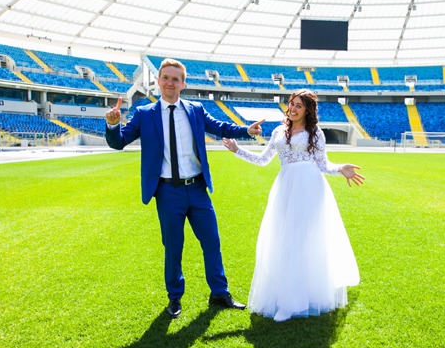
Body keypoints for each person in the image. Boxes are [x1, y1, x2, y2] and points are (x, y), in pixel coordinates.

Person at [105, 58, 264, 318]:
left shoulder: (195, 109)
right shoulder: (145, 113)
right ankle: (175, 298)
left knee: (212, 242)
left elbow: (220, 127)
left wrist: (246, 129)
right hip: (168, 192)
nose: (170, 82)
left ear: (183, 83)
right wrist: (113, 125)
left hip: (197, 189)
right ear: (158, 81)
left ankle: (219, 292)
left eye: (175, 79)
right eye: (165, 77)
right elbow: (119, 142)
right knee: (173, 247)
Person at [222, 89, 364, 322]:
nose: (294, 108)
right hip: (285, 189)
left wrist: (340, 169)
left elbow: (323, 164)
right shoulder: (279, 131)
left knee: (303, 241)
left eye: (299, 105)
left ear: (308, 109)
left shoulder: (315, 133)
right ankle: (286, 297)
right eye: (292, 104)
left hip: (310, 189)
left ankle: (295, 302)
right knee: (284, 241)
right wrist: (237, 150)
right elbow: (263, 160)